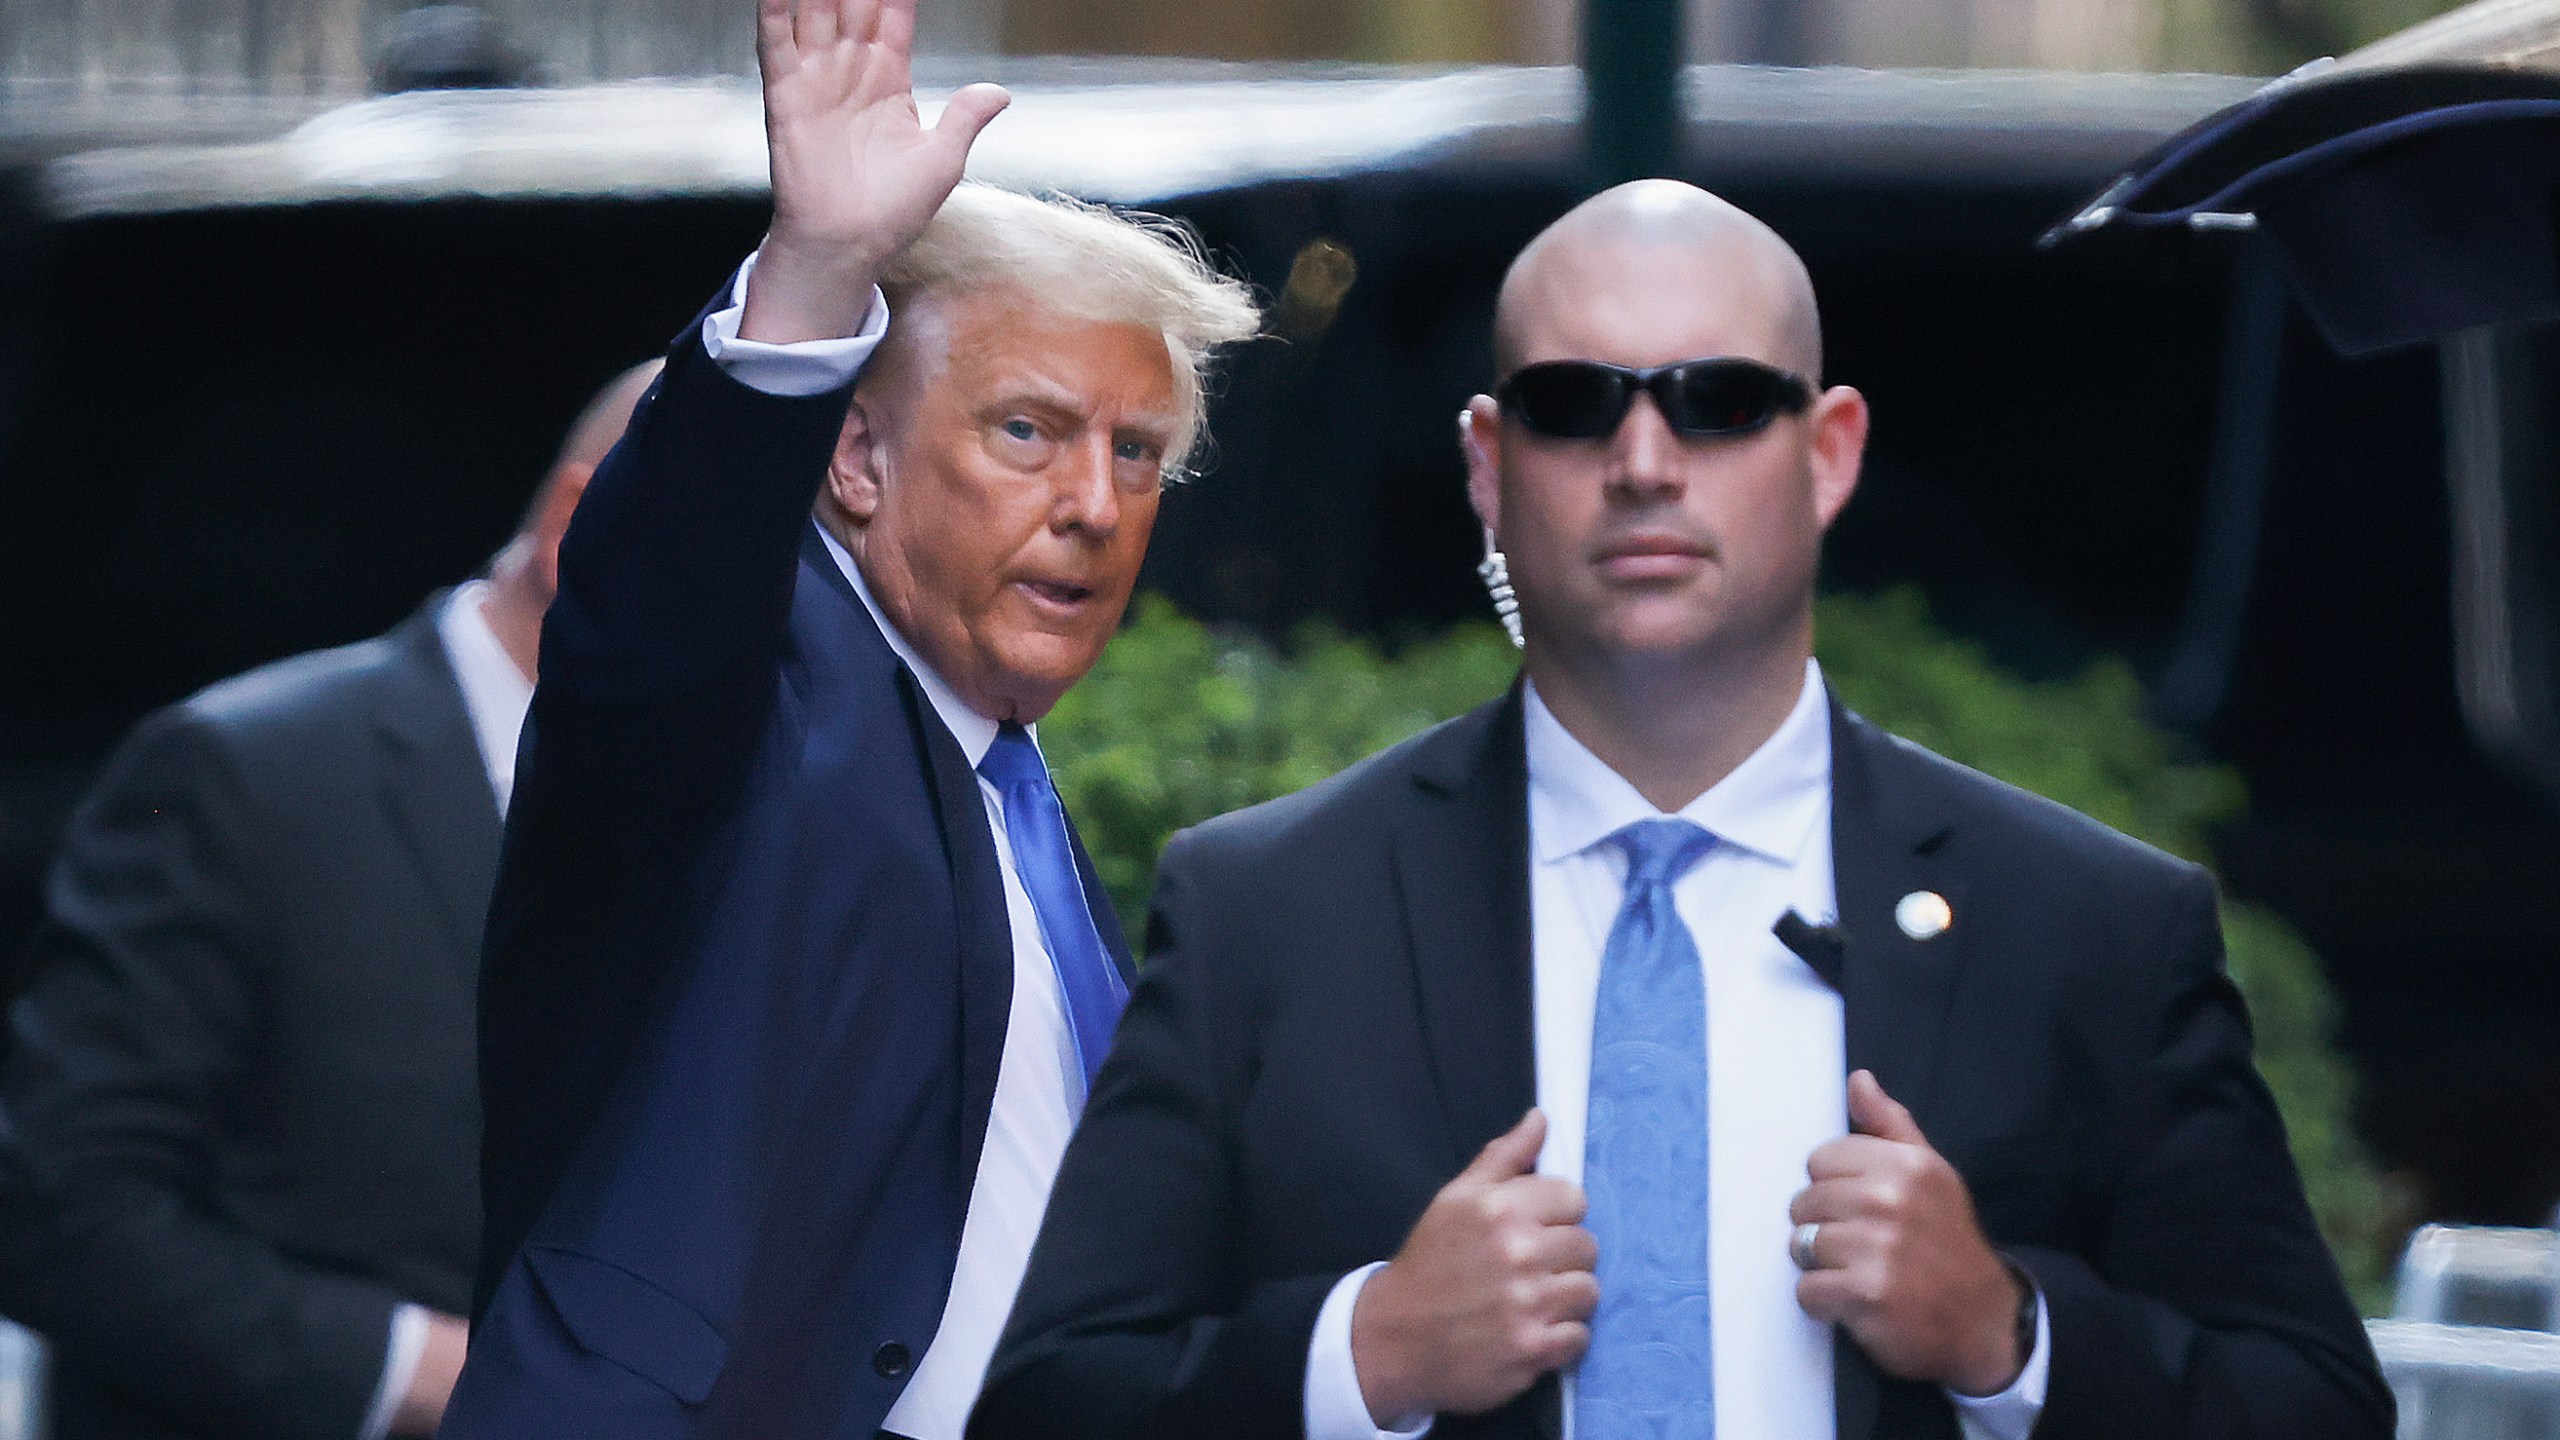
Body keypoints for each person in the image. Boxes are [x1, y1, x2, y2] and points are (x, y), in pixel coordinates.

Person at [972, 182, 2394, 1440]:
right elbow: (1049, 1400)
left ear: (1829, 452)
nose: (1645, 461)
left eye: (1715, 400)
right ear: (1488, 464)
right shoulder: (1268, 912)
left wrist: (2010, 1337)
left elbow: (2316, 1406)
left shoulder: (2090, 926)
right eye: (1575, 403)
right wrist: (1369, 1351)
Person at [438, 4, 1257, 1439]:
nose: (1094, 502)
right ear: (857, 459)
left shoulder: (1014, 794)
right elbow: (658, 608)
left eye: (1136, 452)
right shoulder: (762, 702)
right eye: (1028, 430)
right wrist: (814, 274)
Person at [0, 360, 658, 1440]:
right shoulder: (245, 774)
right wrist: (423, 1372)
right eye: (789, 567)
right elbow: (53, 1208)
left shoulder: (784, 824)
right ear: (580, 528)